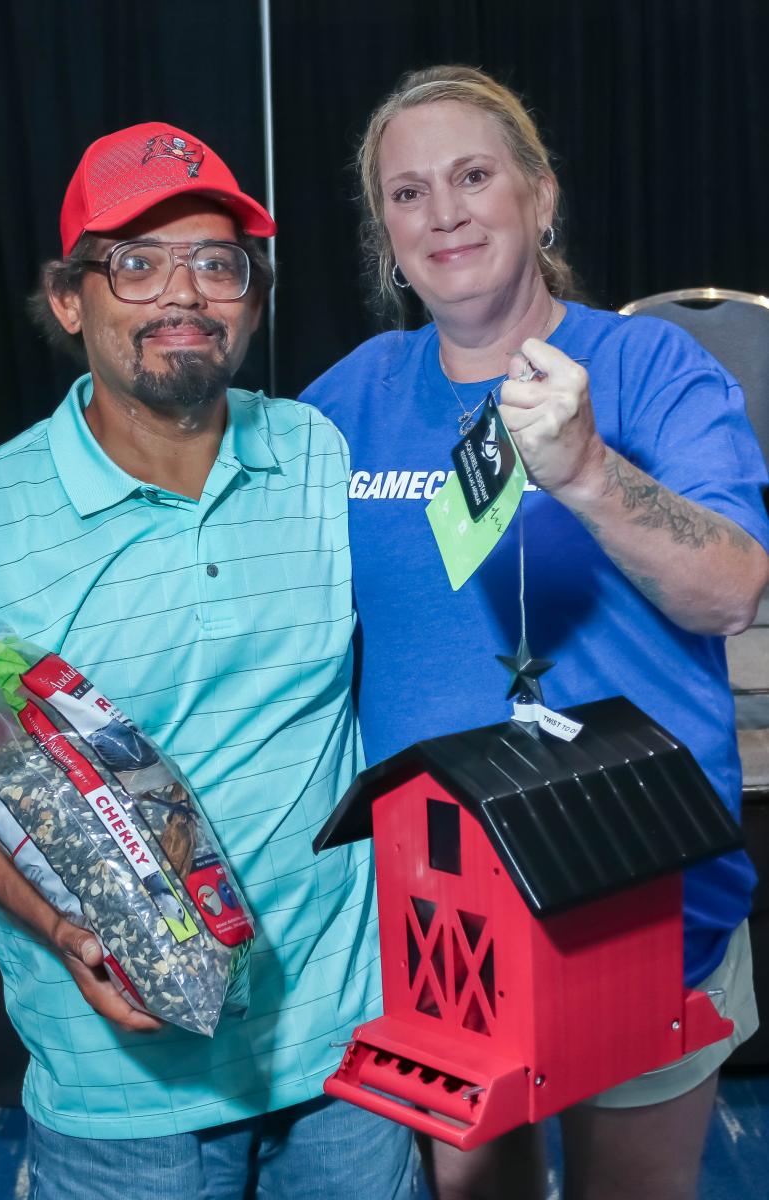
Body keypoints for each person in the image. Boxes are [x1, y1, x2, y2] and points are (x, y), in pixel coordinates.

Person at [0, 121, 420, 1200]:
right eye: (135, 263)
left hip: (345, 1058)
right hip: (123, 1093)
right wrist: (64, 930)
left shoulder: (318, 457)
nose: (182, 293)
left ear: (253, 296)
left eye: (217, 262)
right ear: (68, 301)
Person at [301, 67, 769, 1200]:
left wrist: (592, 476)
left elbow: (735, 590)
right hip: (447, 919)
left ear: (540, 196)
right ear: (385, 235)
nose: (444, 213)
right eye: (407, 194)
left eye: (473, 176)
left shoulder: (653, 368)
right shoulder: (347, 402)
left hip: (645, 903)